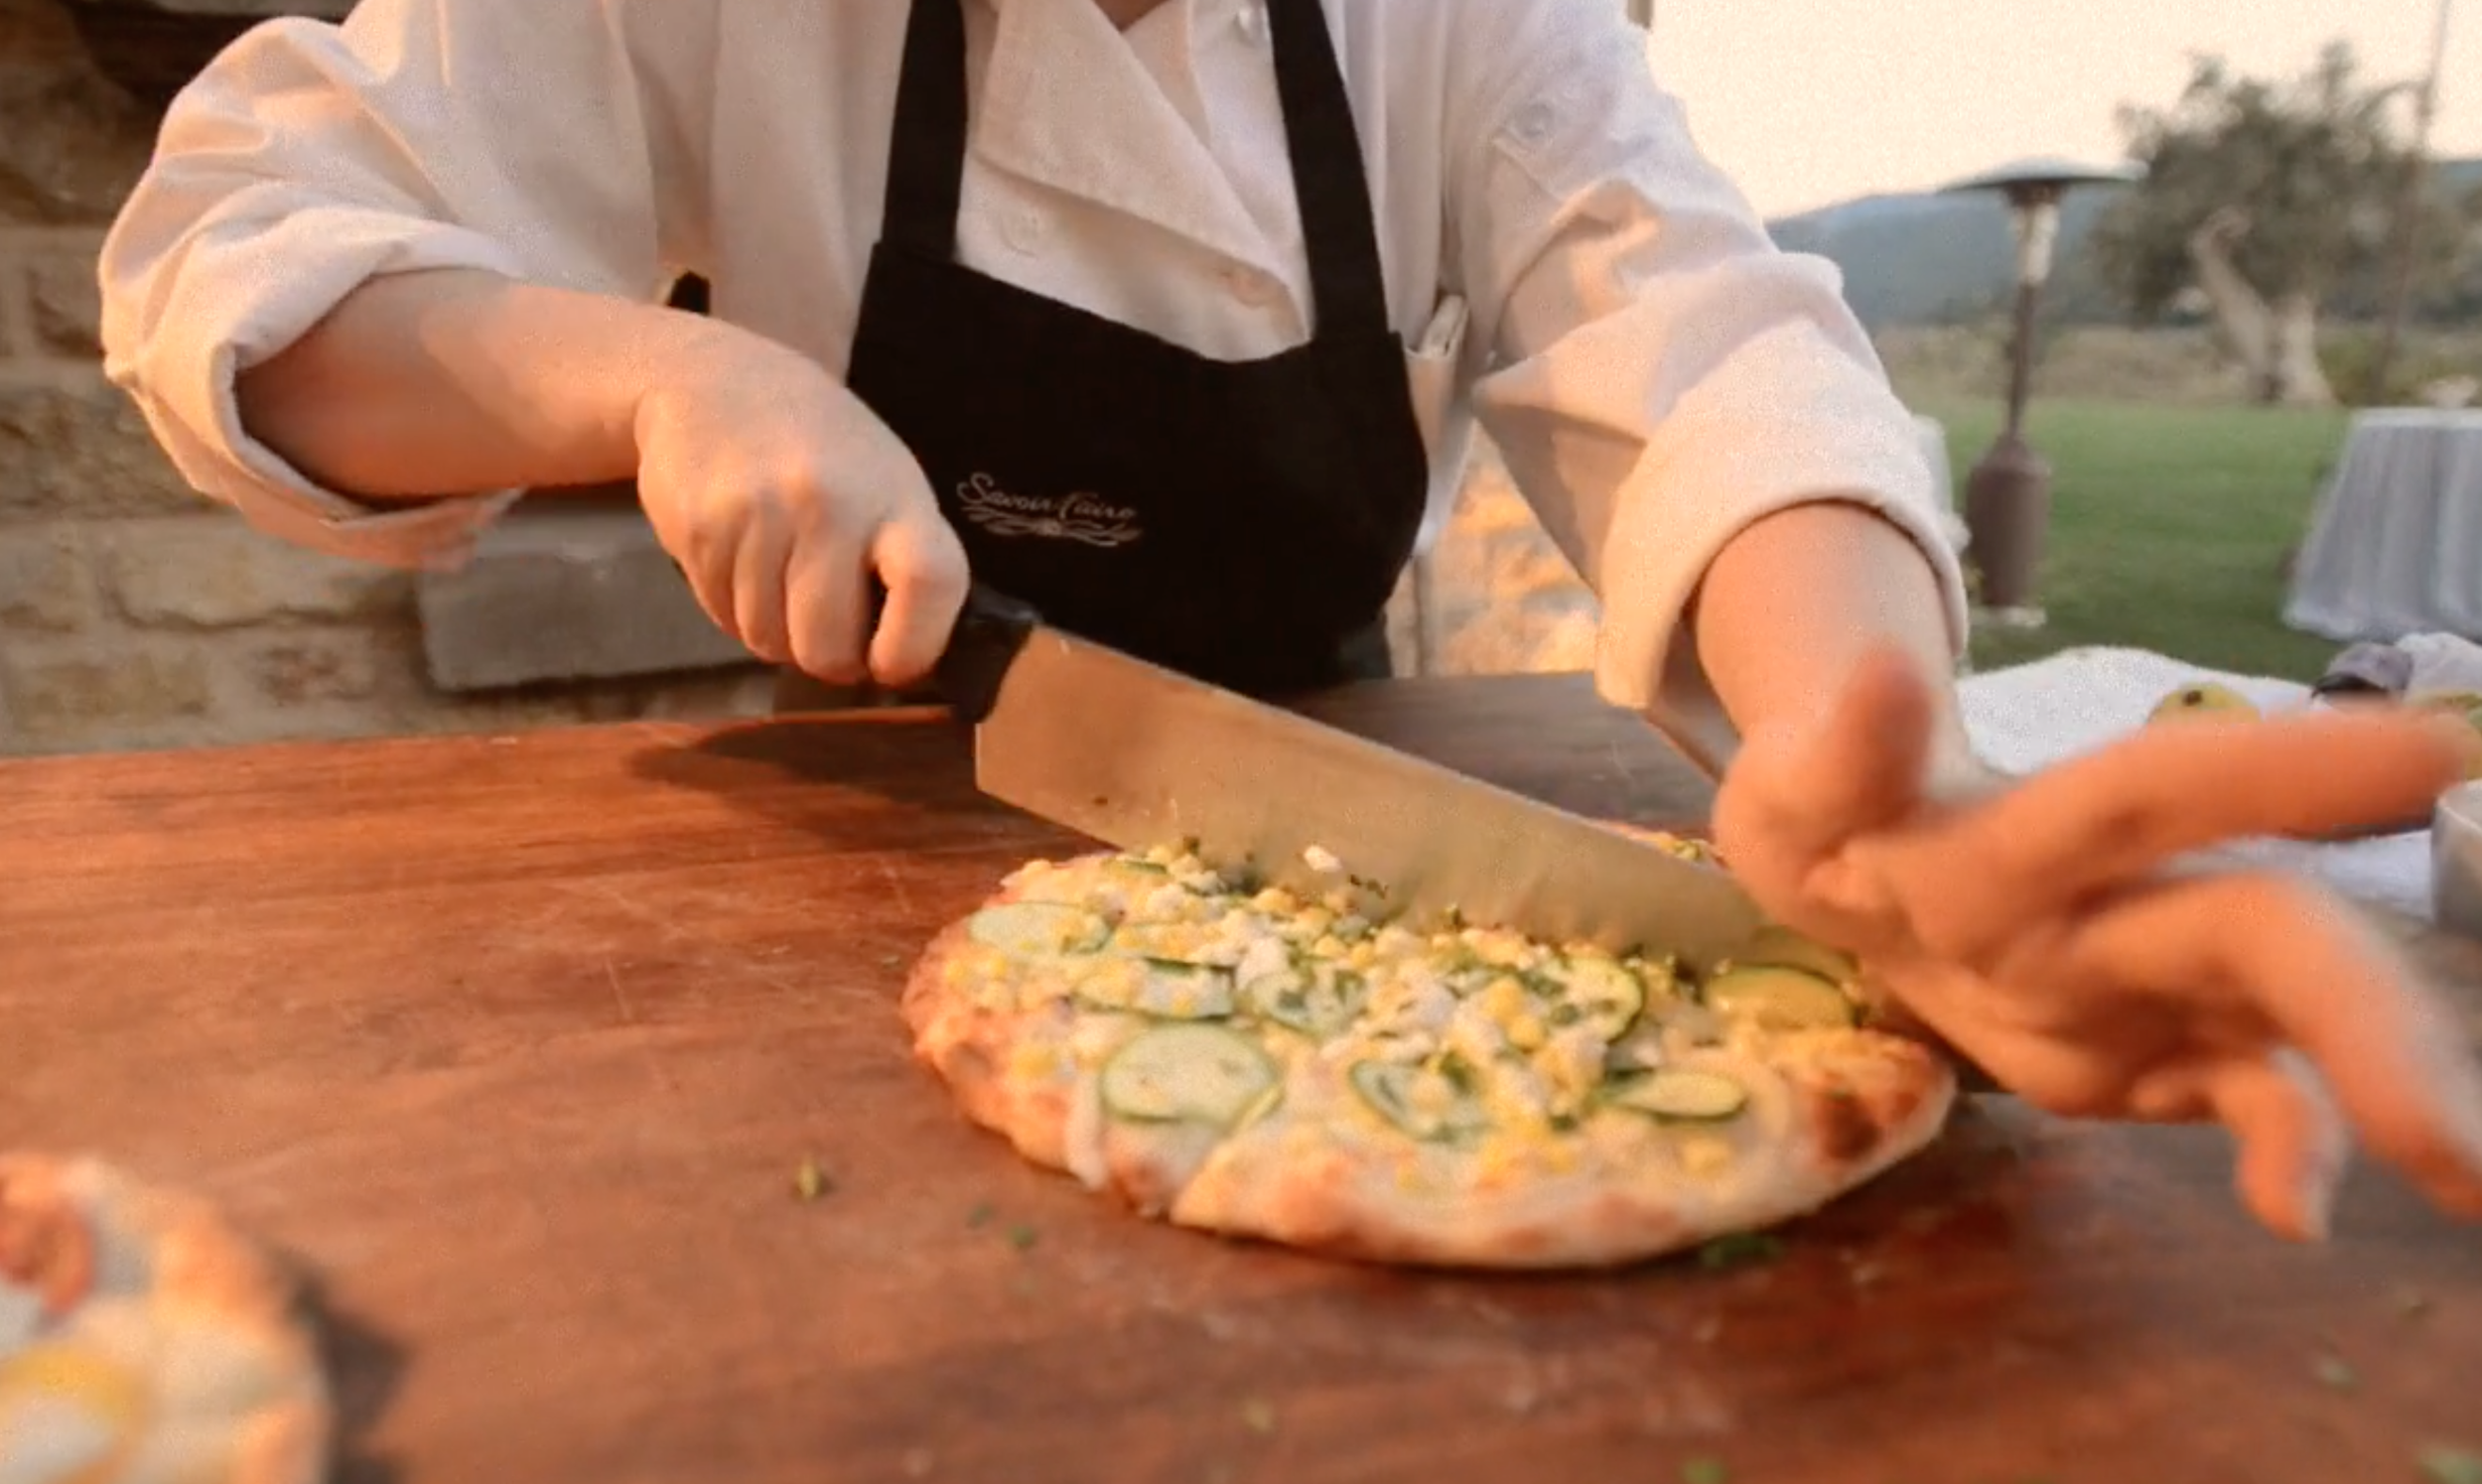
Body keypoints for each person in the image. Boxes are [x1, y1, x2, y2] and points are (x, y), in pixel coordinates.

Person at [98, 0, 2482, 1242]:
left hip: (1374, 858)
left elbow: (1705, 347)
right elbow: (244, 261)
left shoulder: (1471, 21)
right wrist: (647, 373)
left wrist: (1877, 741)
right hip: (841, 849)